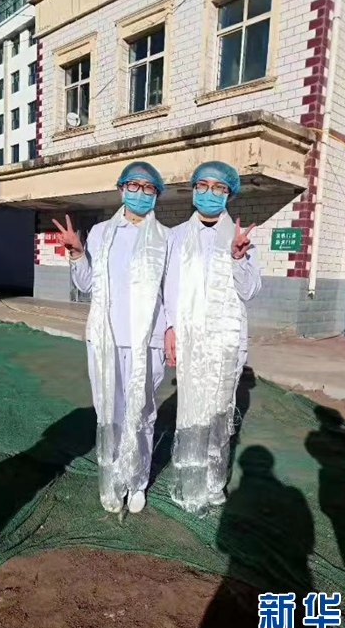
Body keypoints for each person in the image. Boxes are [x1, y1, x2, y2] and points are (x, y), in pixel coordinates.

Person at [53, 162, 169, 514]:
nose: (140, 193)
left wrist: (172, 331)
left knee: (142, 414)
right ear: (121, 189)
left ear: (157, 194)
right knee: (111, 413)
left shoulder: (166, 238)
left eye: (148, 188)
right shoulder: (101, 232)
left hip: (147, 342)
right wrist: (77, 252)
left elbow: (172, 292)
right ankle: (114, 478)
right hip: (106, 339)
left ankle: (137, 481)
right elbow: (86, 284)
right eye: (134, 185)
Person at [164, 161, 261, 514]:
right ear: (193, 190)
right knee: (191, 411)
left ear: (229, 194)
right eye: (202, 185)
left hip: (224, 343)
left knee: (219, 412)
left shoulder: (241, 238)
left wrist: (238, 258)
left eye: (219, 187)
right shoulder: (175, 237)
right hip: (189, 337)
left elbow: (249, 292)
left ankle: (214, 482)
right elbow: (167, 290)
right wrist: (169, 328)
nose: (209, 193)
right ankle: (190, 483)